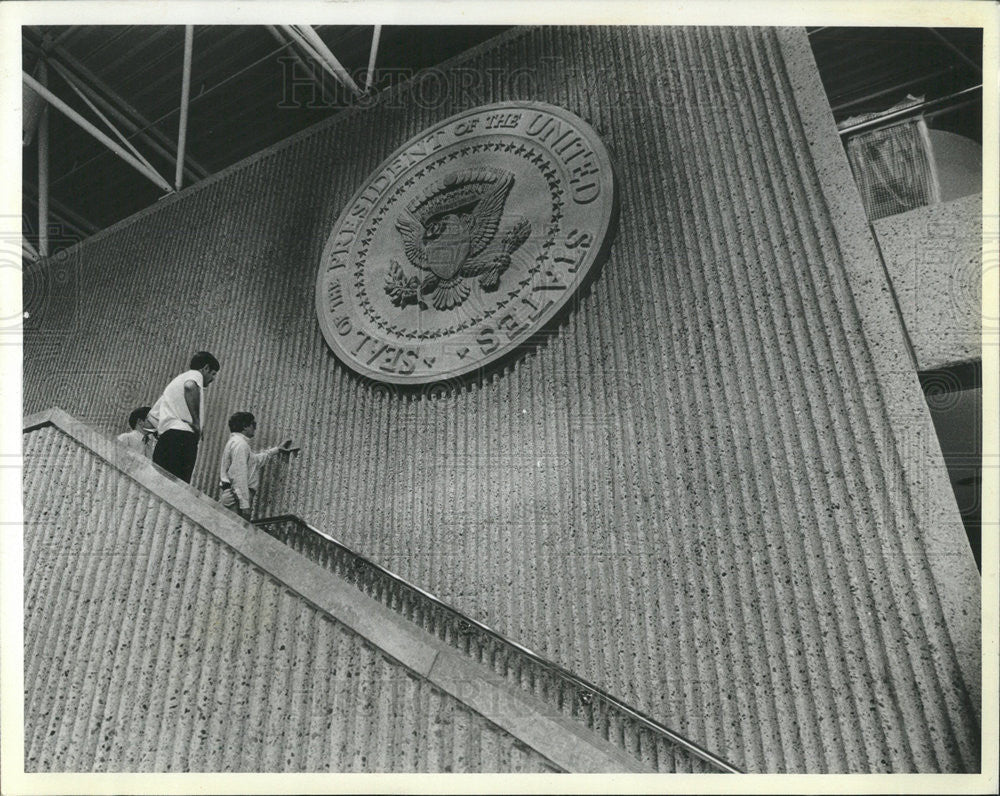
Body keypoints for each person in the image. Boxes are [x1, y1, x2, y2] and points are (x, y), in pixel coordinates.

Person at [150, 351, 220, 483]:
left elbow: (152, 417)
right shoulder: (195, 375)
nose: (213, 379)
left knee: (160, 484)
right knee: (178, 488)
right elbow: (190, 387)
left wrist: (161, 433)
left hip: (167, 439)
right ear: (205, 368)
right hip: (183, 437)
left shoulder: (175, 383)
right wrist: (196, 423)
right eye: (213, 374)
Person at [218, 411, 298, 520]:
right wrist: (245, 505)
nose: (255, 428)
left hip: (235, 497)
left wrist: (277, 450)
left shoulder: (236, 443)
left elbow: (255, 461)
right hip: (236, 500)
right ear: (245, 426)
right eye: (253, 425)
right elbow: (239, 476)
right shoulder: (240, 445)